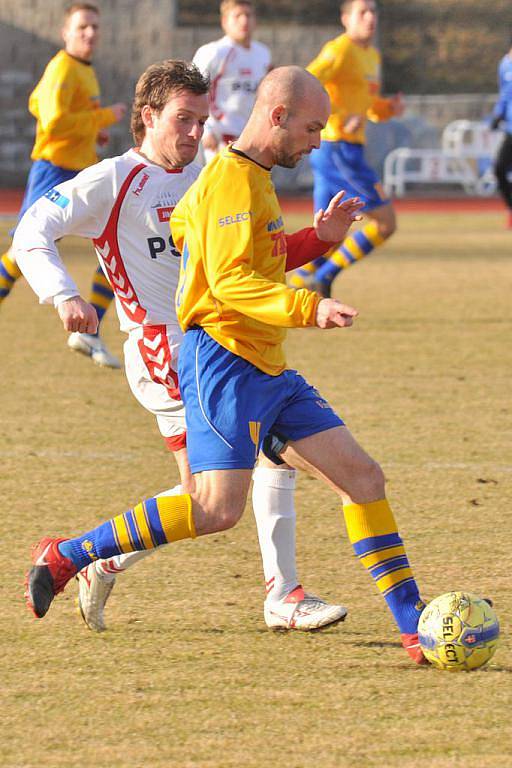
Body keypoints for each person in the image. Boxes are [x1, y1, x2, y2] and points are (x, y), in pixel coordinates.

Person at [24, 65, 427, 665]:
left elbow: (220, 245)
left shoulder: (237, 177)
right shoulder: (208, 180)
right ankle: (74, 556)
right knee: (213, 505)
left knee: (362, 477)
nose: (319, 141)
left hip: (263, 362)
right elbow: (234, 280)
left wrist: (316, 240)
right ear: (278, 117)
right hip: (213, 361)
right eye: (312, 128)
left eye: (200, 120)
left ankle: (416, 630)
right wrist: (309, 307)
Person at [0, 2, 126, 367]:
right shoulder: (63, 67)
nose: (90, 33)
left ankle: (89, 330)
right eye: (82, 27)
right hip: (55, 170)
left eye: (94, 27)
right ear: (65, 33)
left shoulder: (84, 70)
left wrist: (93, 134)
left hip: (82, 168)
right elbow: (53, 122)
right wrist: (102, 117)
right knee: (25, 252)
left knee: (117, 239)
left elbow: (41, 104)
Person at [290, 0, 404, 298]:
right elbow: (306, 80)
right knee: (386, 223)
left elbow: (368, 107)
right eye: (362, 12)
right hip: (339, 149)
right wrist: (339, 116)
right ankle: (325, 276)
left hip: (342, 150)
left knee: (328, 235)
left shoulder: (372, 56)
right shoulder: (339, 49)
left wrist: (387, 108)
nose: (370, 17)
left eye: (373, 12)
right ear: (345, 18)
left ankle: (300, 283)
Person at [192, 0, 271, 162]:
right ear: (224, 22)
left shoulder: (263, 53)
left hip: (252, 135)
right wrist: (205, 130)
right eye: (237, 16)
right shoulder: (213, 52)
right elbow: (193, 91)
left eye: (248, 15)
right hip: (221, 136)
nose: (244, 21)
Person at [491, 40, 512, 228]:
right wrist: (498, 115)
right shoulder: (504, 64)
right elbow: (504, 94)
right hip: (511, 129)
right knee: (499, 168)